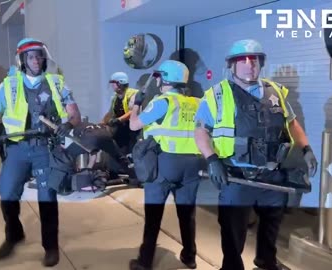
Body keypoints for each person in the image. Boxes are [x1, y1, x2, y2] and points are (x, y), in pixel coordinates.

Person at [194, 39, 318, 270]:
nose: (249, 64)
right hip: (237, 176)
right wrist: (212, 160)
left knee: (271, 223)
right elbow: (200, 131)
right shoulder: (217, 95)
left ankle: (266, 260)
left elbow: (292, 124)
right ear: (232, 65)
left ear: (261, 63)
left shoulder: (276, 91)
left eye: (255, 59)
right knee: (233, 228)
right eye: (243, 60)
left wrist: (306, 149)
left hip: (272, 174)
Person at [0, 38, 81, 267]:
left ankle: (51, 246)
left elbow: (74, 113)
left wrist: (70, 124)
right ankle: (14, 234)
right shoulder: (9, 85)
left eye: (39, 55)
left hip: (45, 148)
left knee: (47, 198)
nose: (36, 60)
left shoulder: (56, 83)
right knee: (6, 192)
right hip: (17, 149)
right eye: (30, 56)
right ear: (22, 60)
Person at [128, 60, 201, 270]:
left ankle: (144, 261)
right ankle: (189, 256)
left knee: (153, 215)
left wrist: (136, 105)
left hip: (165, 164)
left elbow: (134, 125)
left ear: (165, 79)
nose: (157, 80)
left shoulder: (163, 102)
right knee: (187, 214)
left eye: (159, 77)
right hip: (192, 165)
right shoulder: (196, 103)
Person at [101, 72, 139, 154]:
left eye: (113, 83)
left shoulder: (133, 94)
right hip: (121, 129)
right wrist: (101, 123)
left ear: (120, 83)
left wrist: (119, 120)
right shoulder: (115, 97)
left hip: (132, 130)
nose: (112, 86)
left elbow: (132, 111)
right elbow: (110, 113)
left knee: (131, 151)